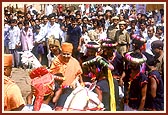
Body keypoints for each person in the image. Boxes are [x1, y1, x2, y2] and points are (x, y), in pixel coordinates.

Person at [49, 42, 84, 111]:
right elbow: (51, 73)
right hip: (56, 87)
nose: (66, 56)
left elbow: (78, 74)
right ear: (61, 52)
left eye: (68, 54)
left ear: (71, 54)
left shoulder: (75, 62)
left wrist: (78, 82)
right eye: (64, 54)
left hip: (69, 88)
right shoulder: (56, 61)